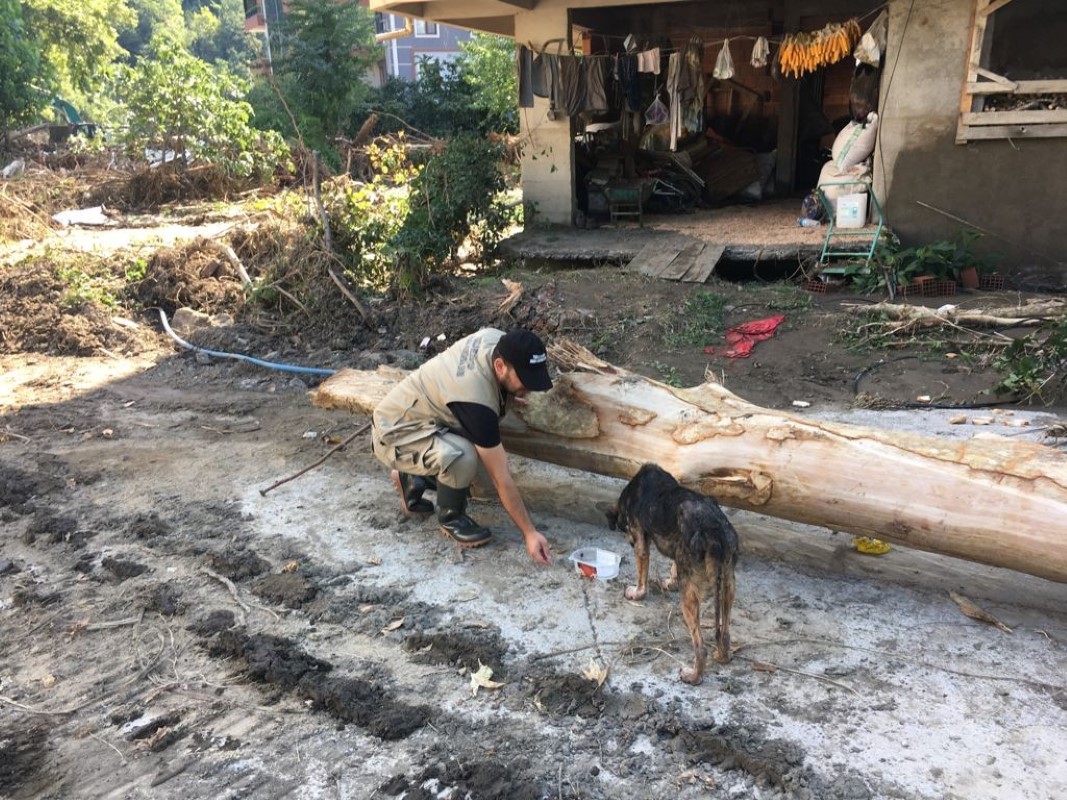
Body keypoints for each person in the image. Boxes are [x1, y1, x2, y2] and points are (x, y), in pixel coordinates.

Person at [371, 327, 554, 565]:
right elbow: (501, 478)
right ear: (500, 366)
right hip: (394, 433)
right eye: (525, 380)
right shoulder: (474, 400)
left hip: (423, 417)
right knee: (463, 458)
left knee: (472, 468)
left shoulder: (495, 338)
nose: (529, 389)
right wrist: (529, 533)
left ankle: (413, 478)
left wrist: (513, 389)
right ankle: (451, 518)